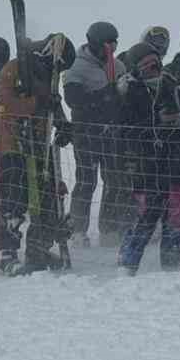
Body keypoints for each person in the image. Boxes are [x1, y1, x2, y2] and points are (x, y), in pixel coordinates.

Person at [117, 41, 180, 275]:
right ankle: (129, 260)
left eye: (155, 62)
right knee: (150, 210)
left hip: (175, 157)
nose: (152, 68)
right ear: (137, 68)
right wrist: (156, 123)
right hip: (144, 160)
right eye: (146, 65)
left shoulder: (171, 85)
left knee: (177, 208)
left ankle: (172, 262)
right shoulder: (130, 90)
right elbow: (124, 129)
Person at [0, 33, 73, 274]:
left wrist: (63, 124)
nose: (55, 71)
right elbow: (2, 104)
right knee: (15, 198)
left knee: (48, 198)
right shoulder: (16, 67)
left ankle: (38, 248)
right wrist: (35, 104)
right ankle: (6, 252)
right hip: (14, 143)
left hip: (40, 145)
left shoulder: (48, 75)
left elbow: (52, 100)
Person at [62, 21, 125, 244]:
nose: (110, 51)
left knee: (114, 179)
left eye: (114, 46)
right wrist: (104, 95)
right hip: (86, 131)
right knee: (86, 180)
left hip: (111, 131)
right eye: (107, 46)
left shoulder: (117, 66)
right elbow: (74, 100)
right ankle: (79, 230)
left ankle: (109, 228)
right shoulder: (76, 67)